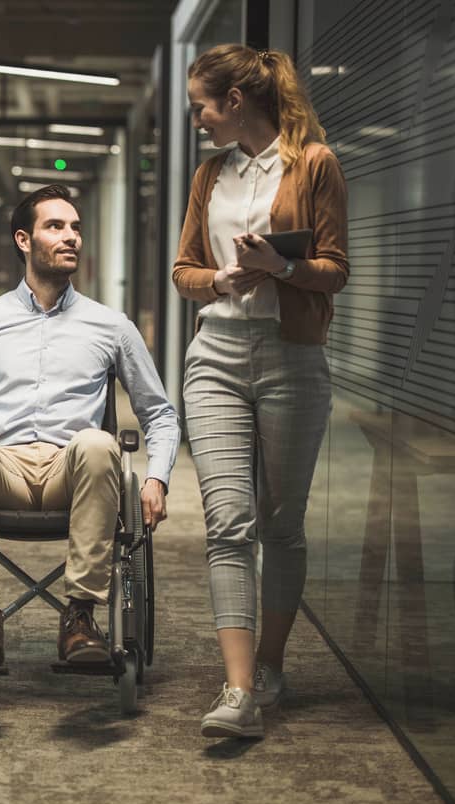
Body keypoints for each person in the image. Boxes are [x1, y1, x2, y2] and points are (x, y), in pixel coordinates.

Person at [0, 184, 181, 672]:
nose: (71, 236)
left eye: (75, 227)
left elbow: (159, 413)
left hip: (74, 472)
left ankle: (80, 619)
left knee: (98, 443)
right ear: (24, 240)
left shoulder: (111, 326)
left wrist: (156, 478)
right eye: (56, 226)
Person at [172, 45, 349, 737]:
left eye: (202, 107)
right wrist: (220, 280)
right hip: (214, 354)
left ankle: (271, 666)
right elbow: (186, 268)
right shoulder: (209, 173)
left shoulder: (314, 165)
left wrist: (280, 265)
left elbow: (334, 270)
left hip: (290, 357)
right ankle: (239, 692)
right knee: (228, 524)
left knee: (281, 523)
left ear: (237, 102)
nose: (198, 119)